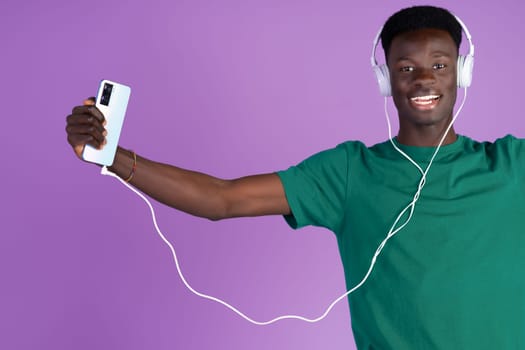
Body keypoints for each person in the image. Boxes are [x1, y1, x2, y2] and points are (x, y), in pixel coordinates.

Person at [65, 5, 525, 349]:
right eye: (406, 68)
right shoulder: (349, 173)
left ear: (462, 73)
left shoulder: (509, 165)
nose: (424, 79)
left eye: (441, 65)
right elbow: (222, 200)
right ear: (386, 79)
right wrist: (114, 157)